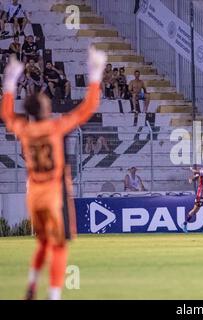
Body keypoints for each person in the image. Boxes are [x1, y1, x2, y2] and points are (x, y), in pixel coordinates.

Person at [0, 47, 107, 300]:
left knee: (43, 243)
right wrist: (94, 74)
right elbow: (87, 108)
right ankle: (55, 295)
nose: (49, 101)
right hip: (51, 194)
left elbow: (6, 115)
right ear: (44, 109)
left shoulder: (24, 129)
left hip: (33, 194)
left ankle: (32, 285)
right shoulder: (56, 127)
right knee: (59, 245)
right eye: (46, 101)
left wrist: (9, 83)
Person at [182, 164, 203, 234]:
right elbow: (196, 175)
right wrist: (191, 179)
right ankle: (184, 224)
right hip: (200, 195)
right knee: (195, 211)